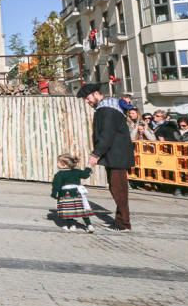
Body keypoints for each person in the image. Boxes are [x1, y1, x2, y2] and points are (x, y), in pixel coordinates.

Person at [77, 83, 133, 232]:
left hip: (117, 155)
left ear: (96, 94)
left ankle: (123, 224)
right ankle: (120, 221)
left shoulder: (107, 110)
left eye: (87, 98)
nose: (87, 101)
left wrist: (96, 153)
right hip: (115, 155)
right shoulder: (108, 107)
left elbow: (107, 134)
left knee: (118, 189)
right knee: (116, 188)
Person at [51, 154, 95, 233]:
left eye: (58, 162)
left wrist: (54, 193)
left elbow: (56, 185)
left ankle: (72, 225)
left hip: (65, 195)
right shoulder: (77, 171)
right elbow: (85, 175)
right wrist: (88, 167)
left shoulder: (59, 174)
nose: (57, 164)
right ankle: (89, 225)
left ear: (64, 164)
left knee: (68, 210)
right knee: (82, 210)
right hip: (77, 194)